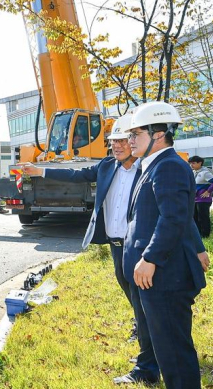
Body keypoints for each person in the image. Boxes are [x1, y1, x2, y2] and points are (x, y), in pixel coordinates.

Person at [124, 101, 208, 389]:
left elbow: (173, 219)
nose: (130, 139)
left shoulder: (169, 166)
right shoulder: (156, 164)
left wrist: (150, 258)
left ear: (158, 134)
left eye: (136, 133)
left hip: (166, 275)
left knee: (175, 349)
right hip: (160, 274)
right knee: (166, 347)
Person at [23, 113, 140, 341]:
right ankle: (141, 321)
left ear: (134, 141)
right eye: (113, 141)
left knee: (140, 288)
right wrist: (40, 171)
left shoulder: (145, 170)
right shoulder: (106, 166)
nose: (116, 145)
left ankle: (144, 330)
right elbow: (76, 175)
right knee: (125, 284)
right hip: (116, 242)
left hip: (137, 242)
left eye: (122, 140)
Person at [188, 155, 213, 238]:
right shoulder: (194, 172)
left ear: (200, 163)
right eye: (190, 163)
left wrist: (208, 191)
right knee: (195, 217)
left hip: (203, 200)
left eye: (193, 163)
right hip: (195, 199)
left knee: (203, 217)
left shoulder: (205, 173)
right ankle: (198, 235)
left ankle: (205, 235)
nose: (191, 165)